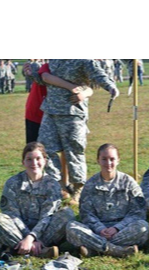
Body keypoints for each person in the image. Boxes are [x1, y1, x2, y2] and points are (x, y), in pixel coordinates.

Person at [28, 59, 119, 205]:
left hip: (73, 113)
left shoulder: (84, 60)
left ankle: (78, 190)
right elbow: (43, 79)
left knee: (74, 152)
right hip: (51, 111)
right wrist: (32, 71)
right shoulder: (54, 59)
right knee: (45, 151)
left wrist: (111, 87)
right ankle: (57, 186)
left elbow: (98, 74)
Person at [0, 142, 75, 258]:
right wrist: (27, 236)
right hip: (18, 230)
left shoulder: (53, 185)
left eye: (38, 158)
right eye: (29, 159)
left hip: (44, 233)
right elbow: (12, 215)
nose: (34, 163)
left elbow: (47, 216)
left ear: (45, 161)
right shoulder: (13, 183)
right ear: (23, 162)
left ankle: (22, 248)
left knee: (67, 214)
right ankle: (37, 250)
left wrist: (32, 237)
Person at [66, 143, 149, 258]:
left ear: (118, 160)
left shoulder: (128, 182)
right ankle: (115, 250)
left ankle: (95, 249)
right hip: (97, 231)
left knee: (142, 227)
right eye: (104, 159)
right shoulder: (90, 184)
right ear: (98, 160)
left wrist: (117, 228)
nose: (108, 163)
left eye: (112, 159)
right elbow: (86, 213)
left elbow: (138, 212)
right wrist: (100, 228)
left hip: (123, 230)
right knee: (71, 227)